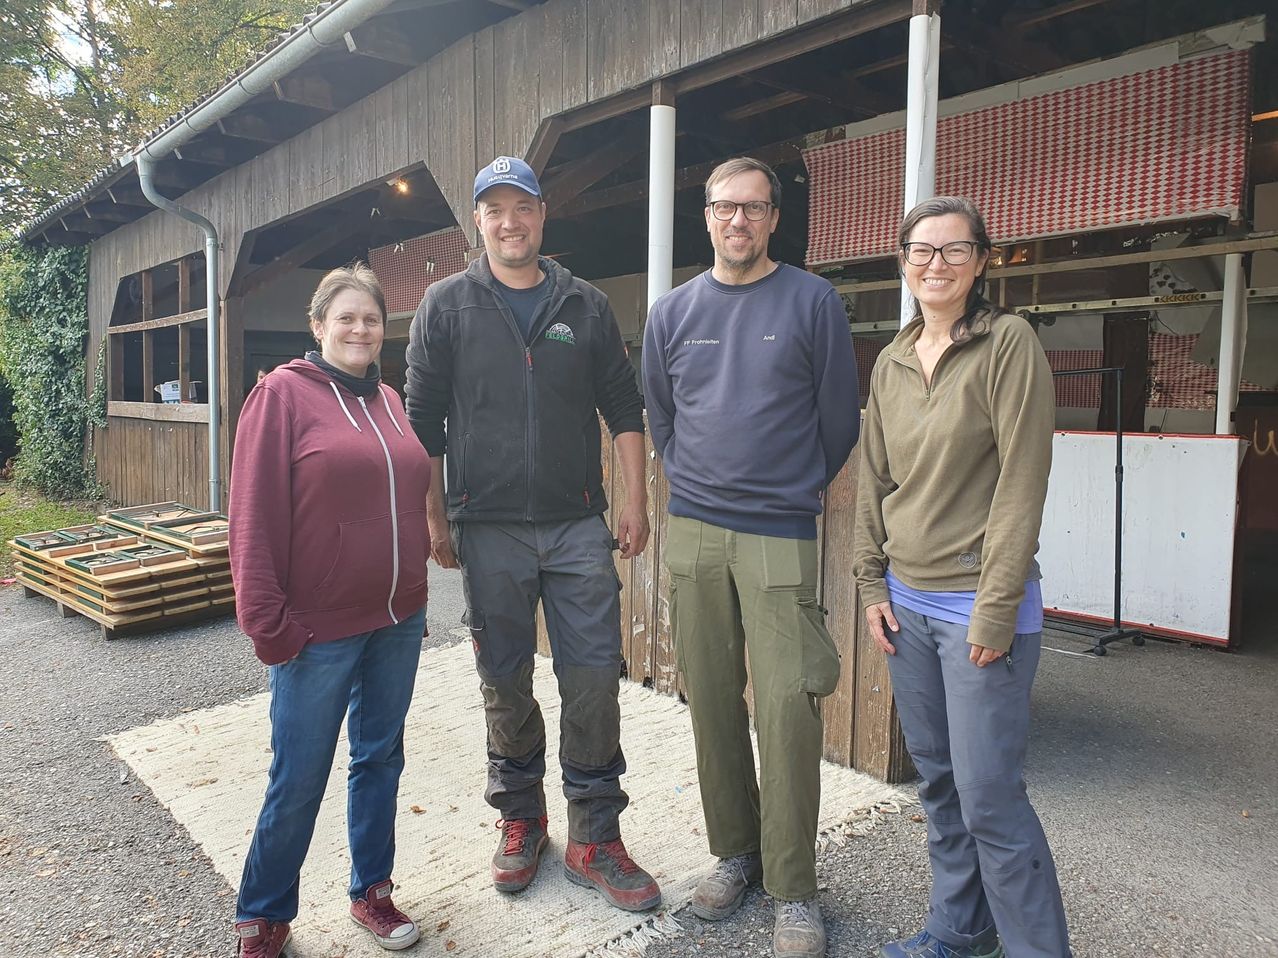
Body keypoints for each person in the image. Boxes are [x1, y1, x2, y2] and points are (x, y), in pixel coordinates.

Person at [404, 156, 661, 912]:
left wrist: (633, 499)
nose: (510, 222)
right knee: (503, 679)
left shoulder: (584, 306)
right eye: (495, 210)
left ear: (543, 217)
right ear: (476, 222)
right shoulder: (444, 306)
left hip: (579, 524)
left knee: (591, 680)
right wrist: (433, 514)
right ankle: (522, 819)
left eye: (523, 208)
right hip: (485, 528)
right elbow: (422, 426)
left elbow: (624, 407)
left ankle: (595, 834)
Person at [641, 157, 860, 958]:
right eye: (726, 208)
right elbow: (661, 416)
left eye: (755, 209)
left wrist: (790, 484)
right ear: (705, 215)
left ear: (774, 218)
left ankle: (795, 890)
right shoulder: (672, 312)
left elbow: (839, 419)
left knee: (788, 705)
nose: (739, 221)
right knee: (711, 702)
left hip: (777, 530)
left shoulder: (812, 301)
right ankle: (737, 854)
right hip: (694, 530)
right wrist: (696, 480)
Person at [853, 197, 1071, 958]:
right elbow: (873, 482)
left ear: (983, 261)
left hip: (979, 604)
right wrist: (871, 586)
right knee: (940, 785)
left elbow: (1021, 484)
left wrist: (997, 608)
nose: (935, 265)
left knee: (990, 801)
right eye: (921, 251)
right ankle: (960, 926)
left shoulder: (1009, 345)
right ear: (903, 262)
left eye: (954, 251)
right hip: (906, 610)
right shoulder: (889, 360)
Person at [228, 264, 432, 958]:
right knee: (300, 773)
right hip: (317, 630)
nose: (359, 329)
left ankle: (370, 891)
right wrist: (268, 624)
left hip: (398, 621)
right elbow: (251, 517)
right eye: (345, 317)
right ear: (317, 326)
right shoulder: (281, 397)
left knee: (379, 759)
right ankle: (262, 914)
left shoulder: (390, 399)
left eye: (370, 319)